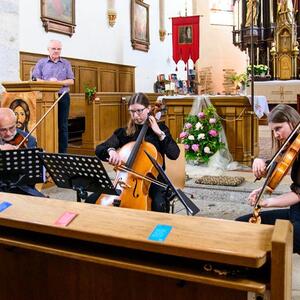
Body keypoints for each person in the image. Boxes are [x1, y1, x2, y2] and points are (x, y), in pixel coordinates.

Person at [90, 92, 180, 212]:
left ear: (148, 109)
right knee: (92, 199)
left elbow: (174, 154)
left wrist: (160, 134)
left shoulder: (160, 129)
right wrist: (110, 151)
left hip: (154, 180)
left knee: (159, 204)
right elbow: (100, 149)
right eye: (132, 112)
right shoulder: (125, 132)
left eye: (139, 111)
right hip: (124, 181)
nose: (136, 115)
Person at [236, 104, 300, 253]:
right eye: (273, 130)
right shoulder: (292, 145)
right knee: (241, 224)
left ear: (292, 121)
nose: (276, 134)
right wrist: (259, 161)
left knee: (270, 243)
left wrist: (269, 202)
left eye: (278, 128)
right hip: (295, 211)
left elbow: (298, 194)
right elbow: (276, 167)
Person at [32, 39, 75, 153]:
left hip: (63, 96)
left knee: (63, 126)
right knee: (47, 124)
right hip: (46, 98)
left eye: (58, 49)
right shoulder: (41, 62)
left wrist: (58, 83)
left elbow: (71, 81)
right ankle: (47, 150)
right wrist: (49, 83)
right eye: (54, 49)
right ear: (48, 50)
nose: (56, 51)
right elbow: (35, 79)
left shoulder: (66, 63)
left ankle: (62, 153)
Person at [0, 108, 44, 197]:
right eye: (3, 130)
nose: (8, 133)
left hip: (20, 187)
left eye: (11, 128)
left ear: (16, 124)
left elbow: (31, 178)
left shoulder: (28, 140)